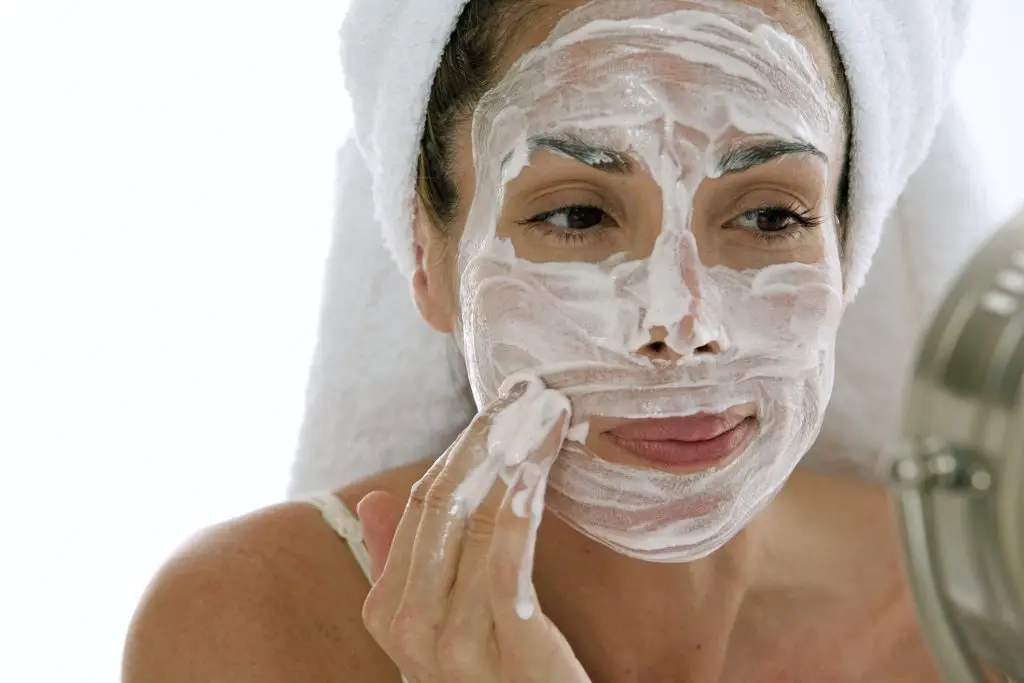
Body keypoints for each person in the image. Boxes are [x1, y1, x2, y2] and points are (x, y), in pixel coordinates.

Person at [122, 0, 1005, 681]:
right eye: (578, 214)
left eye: (770, 215)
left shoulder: (984, 609)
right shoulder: (257, 628)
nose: (682, 323)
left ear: (849, 253)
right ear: (427, 257)